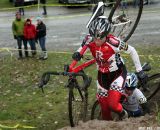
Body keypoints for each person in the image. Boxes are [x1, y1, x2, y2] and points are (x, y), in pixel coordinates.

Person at [72, 15, 148, 120]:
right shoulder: (89, 38)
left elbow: (132, 50)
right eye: (95, 38)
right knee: (105, 109)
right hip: (102, 75)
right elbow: (82, 46)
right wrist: (77, 53)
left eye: (100, 38)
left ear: (106, 35)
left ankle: (126, 116)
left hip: (117, 73)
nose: (97, 41)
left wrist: (139, 70)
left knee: (113, 105)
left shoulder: (114, 42)